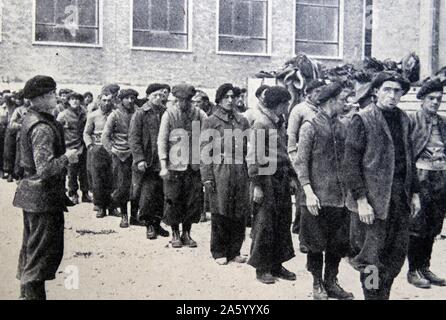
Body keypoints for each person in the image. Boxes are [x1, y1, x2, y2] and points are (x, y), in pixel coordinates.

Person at [344, 71, 421, 300]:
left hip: (399, 200)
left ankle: (382, 296)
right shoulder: (362, 119)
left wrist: (415, 192)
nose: (393, 95)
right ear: (376, 91)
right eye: (387, 89)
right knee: (370, 260)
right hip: (372, 202)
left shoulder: (404, 120)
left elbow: (409, 159)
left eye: (397, 91)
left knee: (394, 257)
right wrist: (361, 200)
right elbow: (350, 164)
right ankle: (372, 297)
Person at [13, 75, 79, 300]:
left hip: (34, 195)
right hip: (42, 197)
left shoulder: (32, 119)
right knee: (42, 254)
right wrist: (67, 158)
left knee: (31, 249)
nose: (56, 97)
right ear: (39, 98)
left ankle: (25, 295)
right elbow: (45, 168)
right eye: (52, 93)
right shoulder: (41, 127)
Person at [295, 82, 354, 300]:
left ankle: (331, 281)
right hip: (316, 197)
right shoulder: (309, 126)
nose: (345, 104)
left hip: (339, 198)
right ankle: (317, 283)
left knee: (337, 244)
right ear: (330, 102)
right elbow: (301, 162)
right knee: (315, 244)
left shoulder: (343, 126)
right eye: (342, 100)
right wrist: (308, 192)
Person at [247, 86, 297, 284]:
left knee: (282, 222)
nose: (287, 107)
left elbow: (284, 154)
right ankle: (262, 267)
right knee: (265, 224)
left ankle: (277, 264)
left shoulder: (278, 123)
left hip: (281, 178)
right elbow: (254, 157)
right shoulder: (261, 124)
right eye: (285, 104)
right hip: (266, 180)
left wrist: (292, 176)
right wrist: (257, 185)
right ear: (278, 104)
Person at [201, 83, 250, 265]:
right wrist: (206, 177)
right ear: (219, 99)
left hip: (239, 168)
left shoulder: (242, 121)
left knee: (239, 210)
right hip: (220, 169)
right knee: (221, 210)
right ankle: (219, 251)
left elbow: (248, 147)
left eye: (233, 97)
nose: (230, 101)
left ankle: (235, 250)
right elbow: (205, 150)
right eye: (226, 97)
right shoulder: (210, 121)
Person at [407, 79, 446, 288]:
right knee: (417, 224)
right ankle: (413, 270)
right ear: (421, 100)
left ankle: (425, 267)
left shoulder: (442, 122)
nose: (435, 102)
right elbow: (408, 152)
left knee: (434, 224)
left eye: (438, 99)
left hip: (440, 177)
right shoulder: (412, 120)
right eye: (431, 99)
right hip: (421, 177)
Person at [158, 84, 207, 248]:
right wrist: (163, 164)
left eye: (187, 100)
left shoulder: (199, 114)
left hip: (194, 166)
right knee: (174, 199)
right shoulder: (169, 114)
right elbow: (162, 140)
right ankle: (175, 233)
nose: (184, 103)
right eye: (181, 100)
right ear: (176, 99)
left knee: (192, 200)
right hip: (174, 166)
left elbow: (208, 137)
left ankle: (187, 232)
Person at [129, 84, 171, 238]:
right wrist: (139, 159)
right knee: (147, 194)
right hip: (147, 162)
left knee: (161, 194)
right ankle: (148, 225)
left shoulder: (166, 113)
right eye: (155, 95)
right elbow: (134, 139)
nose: (159, 98)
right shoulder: (140, 114)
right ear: (148, 96)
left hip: (162, 161)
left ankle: (157, 223)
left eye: (161, 95)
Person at [288, 79, 325, 236]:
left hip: (317, 160)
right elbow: (291, 134)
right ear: (307, 94)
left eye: (321, 92)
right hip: (301, 158)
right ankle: (300, 231)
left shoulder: (321, 109)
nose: (319, 95)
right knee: (303, 196)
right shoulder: (299, 110)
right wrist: (294, 158)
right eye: (316, 92)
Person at [102, 89, 138, 228]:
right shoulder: (115, 115)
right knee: (122, 186)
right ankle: (124, 216)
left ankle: (134, 216)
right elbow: (105, 136)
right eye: (127, 98)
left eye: (133, 98)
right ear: (121, 99)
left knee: (136, 186)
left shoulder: (138, 112)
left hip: (136, 155)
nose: (130, 100)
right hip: (121, 155)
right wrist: (113, 150)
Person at [83, 91, 118, 218]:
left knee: (112, 178)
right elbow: (86, 133)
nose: (107, 103)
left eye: (109, 100)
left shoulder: (116, 114)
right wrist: (90, 146)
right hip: (98, 148)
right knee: (98, 179)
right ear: (99, 101)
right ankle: (100, 206)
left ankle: (112, 207)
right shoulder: (93, 115)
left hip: (113, 149)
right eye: (104, 100)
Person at [57, 92, 91, 204]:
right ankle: (73, 193)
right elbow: (57, 132)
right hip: (70, 147)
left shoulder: (84, 113)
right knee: (72, 172)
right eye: (72, 99)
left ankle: (85, 194)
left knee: (84, 172)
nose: (75, 101)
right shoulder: (63, 115)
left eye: (77, 99)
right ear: (68, 101)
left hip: (83, 146)